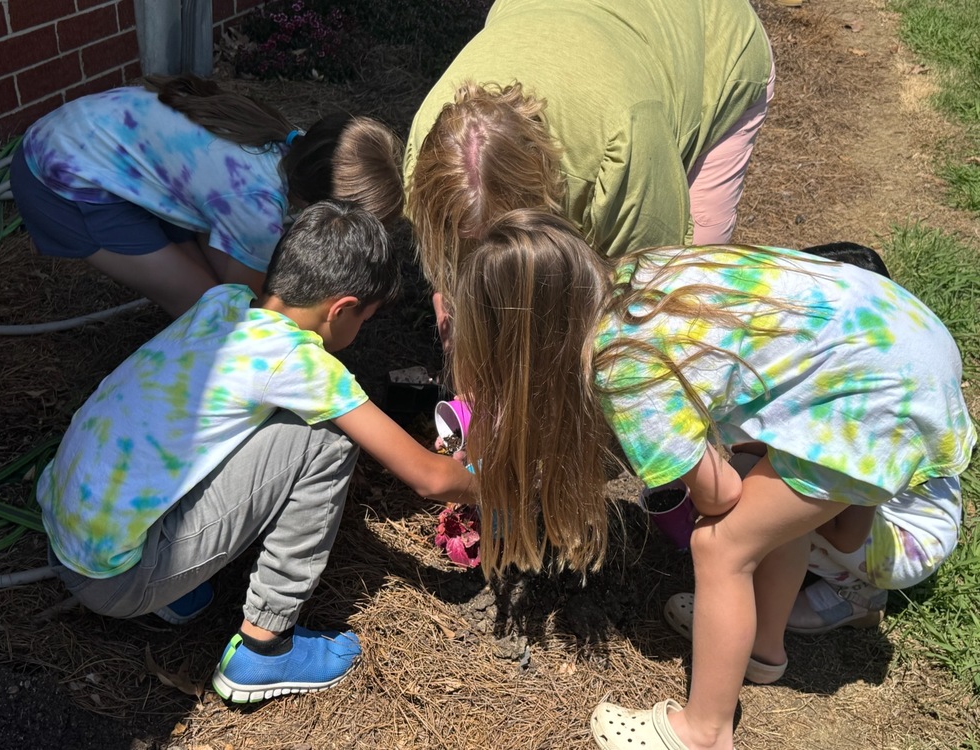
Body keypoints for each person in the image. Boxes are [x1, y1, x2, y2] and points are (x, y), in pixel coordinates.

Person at [443, 209, 975, 749]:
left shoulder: (621, 367)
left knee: (721, 545)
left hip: (879, 401)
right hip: (900, 333)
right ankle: (762, 650)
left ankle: (704, 731)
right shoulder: (635, 274)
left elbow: (721, 495)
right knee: (767, 516)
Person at [37, 200, 475, 704]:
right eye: (366, 320)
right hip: (114, 578)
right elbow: (429, 478)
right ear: (341, 309)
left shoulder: (223, 304)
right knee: (326, 437)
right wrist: (494, 487)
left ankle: (177, 593)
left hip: (67, 531)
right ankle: (262, 652)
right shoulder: (299, 362)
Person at [403, 0, 775, 343]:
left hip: (711, 39)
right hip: (577, 29)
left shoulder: (624, 143)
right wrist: (454, 305)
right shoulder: (423, 150)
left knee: (680, 299)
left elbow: (648, 279)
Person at [662, 241, 960, 638]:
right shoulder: (888, 370)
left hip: (907, 545)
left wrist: (770, 511)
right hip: (919, 518)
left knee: (768, 505)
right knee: (762, 476)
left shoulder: (861, 421)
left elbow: (848, 531)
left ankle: (855, 592)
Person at [10, 75, 404, 318]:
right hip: (58, 181)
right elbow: (260, 311)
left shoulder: (285, 140)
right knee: (212, 310)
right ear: (324, 209)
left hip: (74, 137)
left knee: (219, 285)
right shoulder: (254, 207)